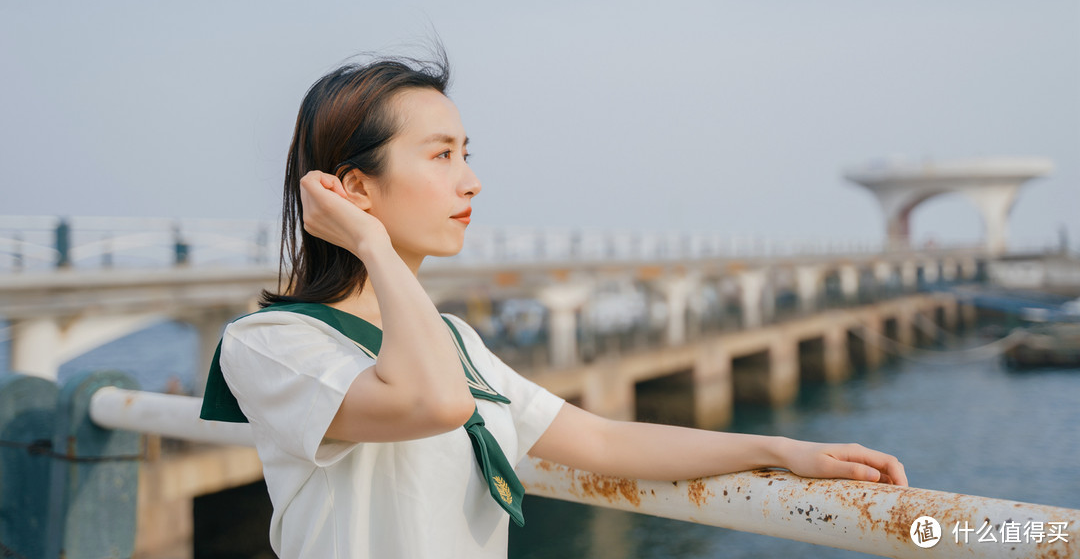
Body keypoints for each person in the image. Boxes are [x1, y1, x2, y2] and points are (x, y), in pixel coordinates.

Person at [200, 50, 907, 559]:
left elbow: (600, 441)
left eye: (466, 153)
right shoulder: (272, 344)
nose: (471, 182)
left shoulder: (451, 340)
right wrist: (374, 247)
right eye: (441, 156)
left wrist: (783, 450)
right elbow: (434, 405)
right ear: (353, 187)